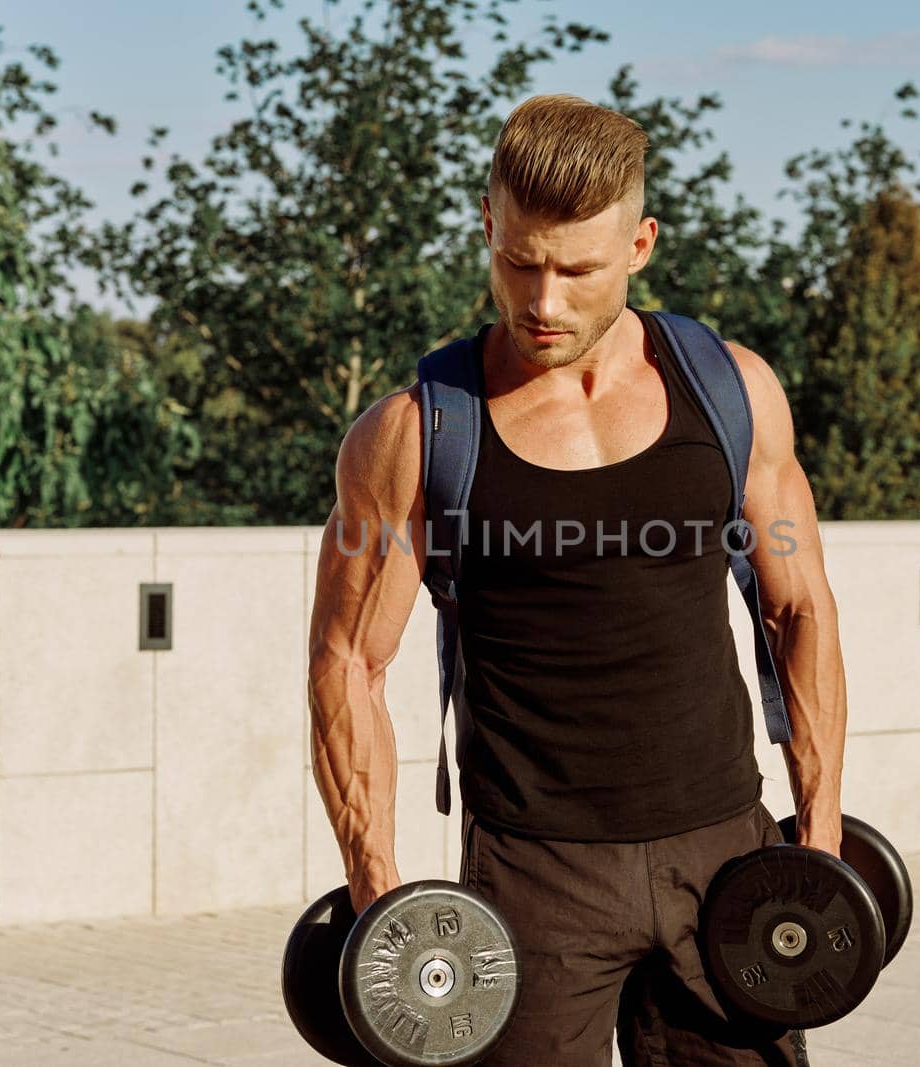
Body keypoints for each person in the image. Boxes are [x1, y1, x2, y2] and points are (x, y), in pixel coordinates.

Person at [307, 93, 849, 1067]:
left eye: (577, 269)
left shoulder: (734, 393)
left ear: (639, 245)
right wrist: (377, 882)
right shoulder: (411, 436)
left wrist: (818, 825)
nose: (542, 302)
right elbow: (348, 662)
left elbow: (798, 605)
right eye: (519, 261)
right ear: (487, 229)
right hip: (531, 875)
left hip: (724, 852)